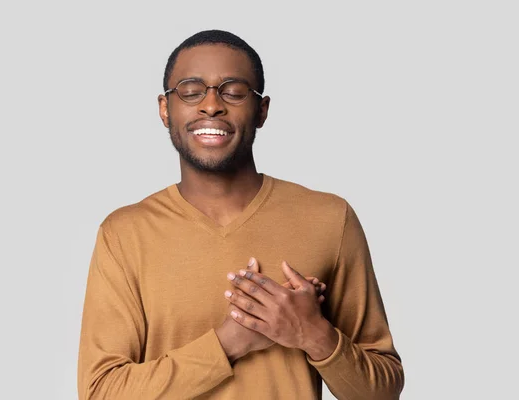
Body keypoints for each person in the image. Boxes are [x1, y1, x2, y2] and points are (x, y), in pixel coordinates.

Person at [77, 29, 404, 400]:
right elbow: (100, 392)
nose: (212, 105)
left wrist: (312, 333)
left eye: (233, 91)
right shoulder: (124, 234)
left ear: (261, 110)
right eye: (190, 90)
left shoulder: (330, 218)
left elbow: (382, 390)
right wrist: (230, 343)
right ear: (165, 109)